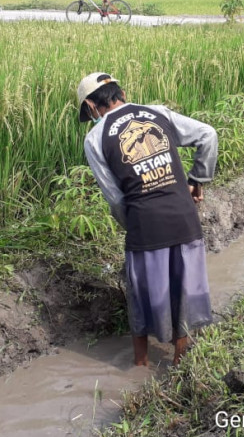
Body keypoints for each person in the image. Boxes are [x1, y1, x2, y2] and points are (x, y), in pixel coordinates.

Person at [77, 72, 218, 366]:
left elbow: (115, 197)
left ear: (91, 106)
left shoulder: (95, 137)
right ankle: (179, 365)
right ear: (122, 93)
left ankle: (139, 365)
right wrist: (198, 180)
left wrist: (135, 226)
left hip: (145, 225)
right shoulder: (157, 113)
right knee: (184, 293)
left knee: (141, 298)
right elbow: (208, 134)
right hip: (184, 218)